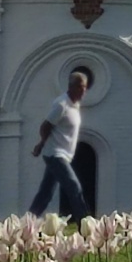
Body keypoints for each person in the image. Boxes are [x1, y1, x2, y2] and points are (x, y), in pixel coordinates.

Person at [29, 68, 91, 218]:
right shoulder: (61, 105)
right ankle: (86, 226)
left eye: (85, 88)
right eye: (81, 87)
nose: (84, 91)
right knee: (73, 186)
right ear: (72, 87)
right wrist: (41, 144)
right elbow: (45, 126)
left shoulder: (74, 106)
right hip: (55, 154)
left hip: (62, 154)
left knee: (45, 193)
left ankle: (26, 224)